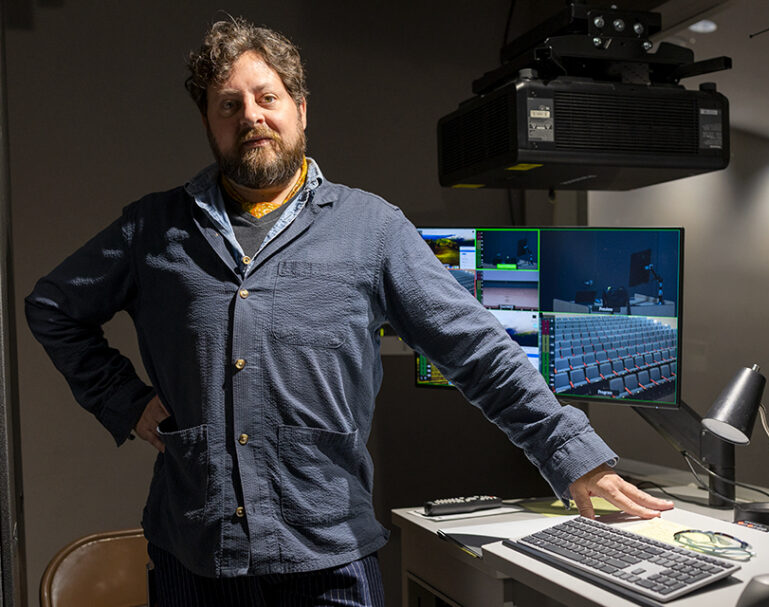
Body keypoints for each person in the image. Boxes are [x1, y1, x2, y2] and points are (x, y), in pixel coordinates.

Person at [24, 17, 672, 606]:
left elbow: (477, 349)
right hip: (193, 560)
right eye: (229, 105)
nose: (250, 115)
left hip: (328, 560)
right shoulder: (152, 229)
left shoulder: (373, 228)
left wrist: (571, 453)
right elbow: (53, 306)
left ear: (301, 111)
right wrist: (121, 397)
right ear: (209, 124)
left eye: (266, 97)